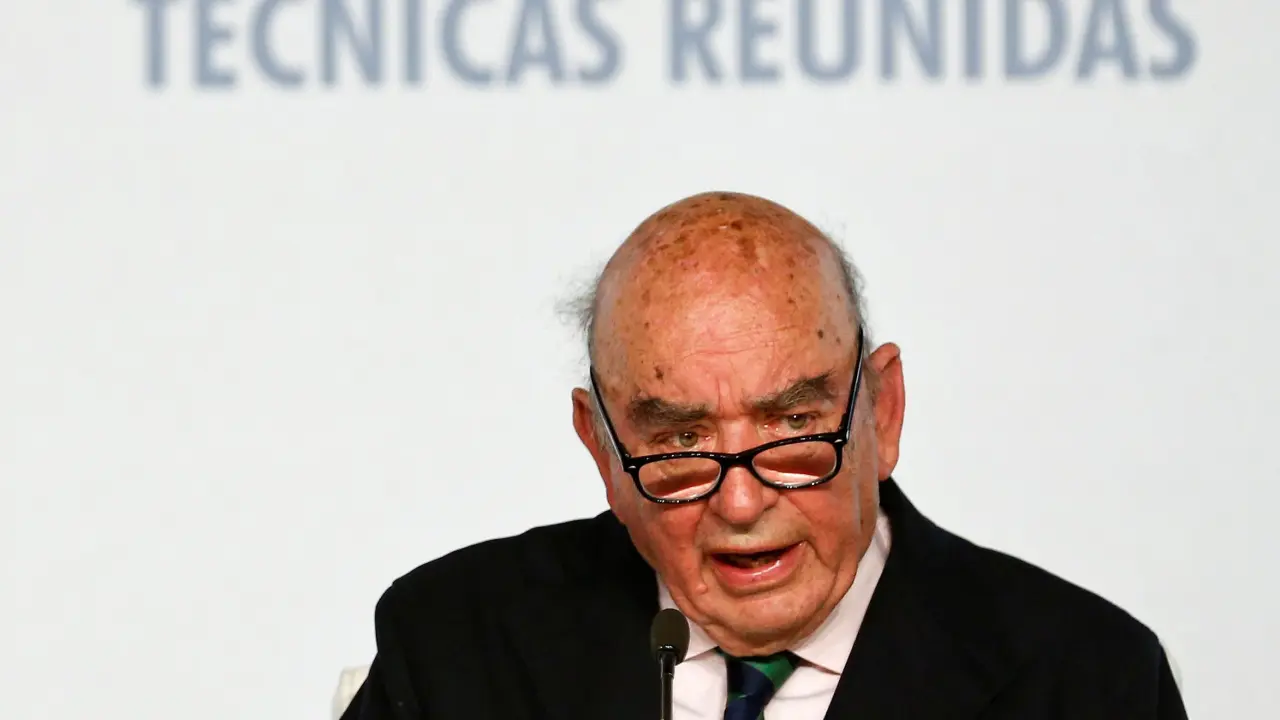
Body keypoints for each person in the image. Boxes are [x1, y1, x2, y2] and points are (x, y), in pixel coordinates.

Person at [338, 191, 1186, 720]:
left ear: (882, 412)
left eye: (793, 428)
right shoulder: (459, 647)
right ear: (601, 448)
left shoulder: (1085, 681)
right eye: (681, 442)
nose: (741, 505)